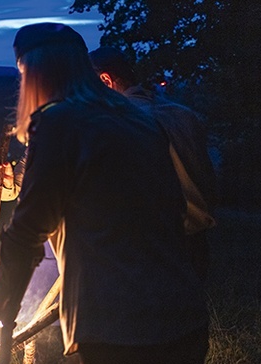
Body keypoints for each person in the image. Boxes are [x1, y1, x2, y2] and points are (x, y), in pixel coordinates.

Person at [0, 23, 209, 364]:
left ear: (35, 72)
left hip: (118, 327)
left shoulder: (59, 123)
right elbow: (173, 208)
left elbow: (28, 231)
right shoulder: (137, 118)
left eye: (24, 74)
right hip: (182, 315)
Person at [88, 46, 218, 281]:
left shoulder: (117, 123)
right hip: (196, 245)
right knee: (189, 315)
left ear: (105, 80)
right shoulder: (185, 116)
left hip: (147, 249)